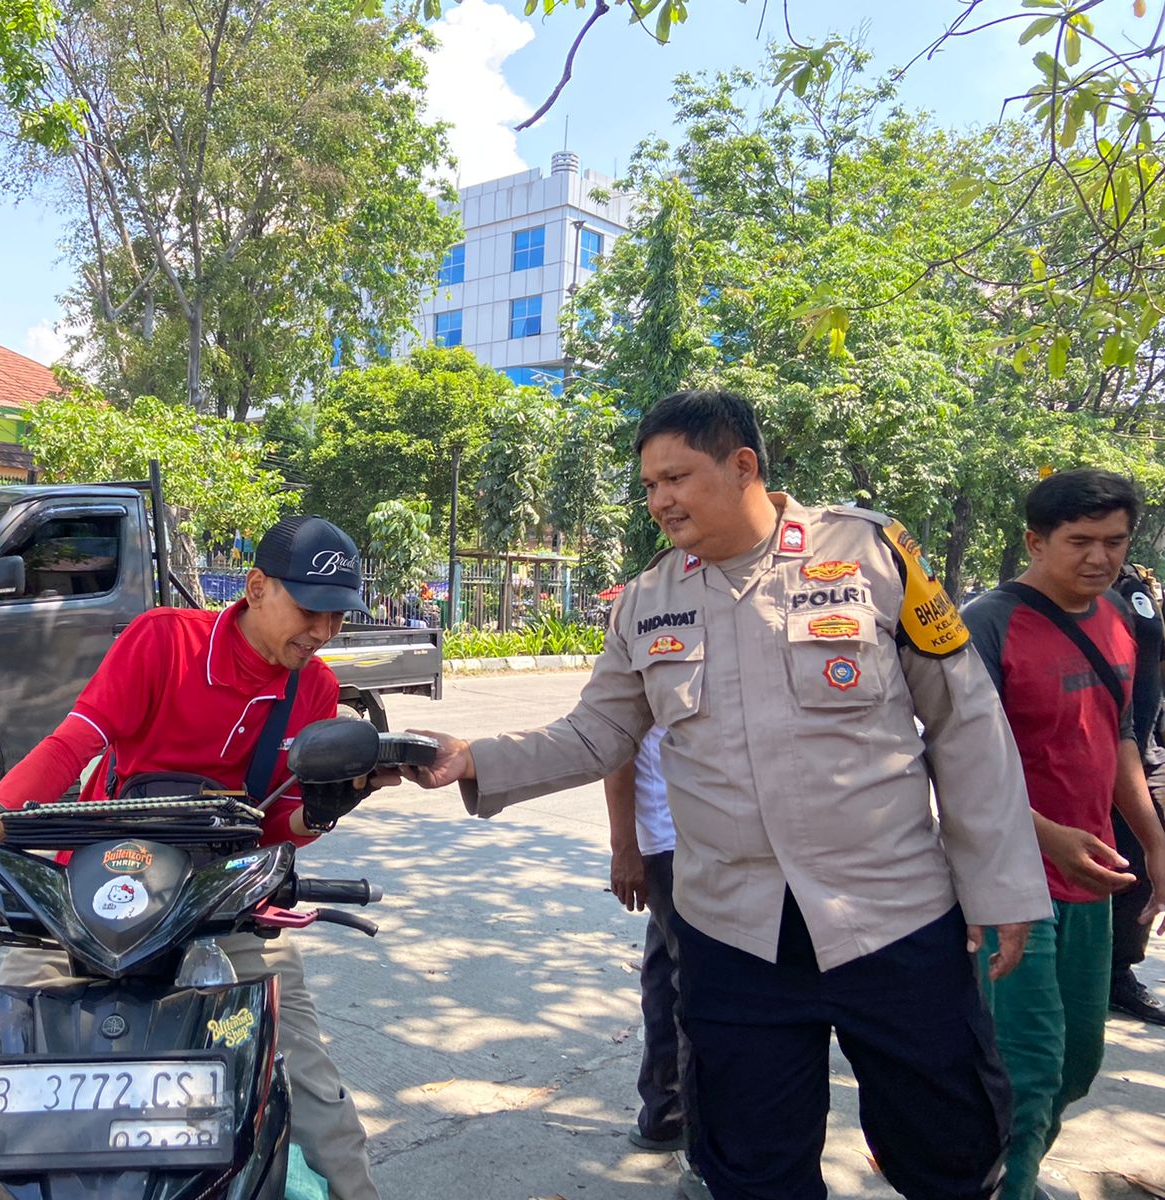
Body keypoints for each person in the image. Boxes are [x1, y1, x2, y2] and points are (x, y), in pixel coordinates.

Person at [404, 389, 1051, 1200]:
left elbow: (965, 720)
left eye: (676, 477)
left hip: (894, 917)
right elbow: (597, 733)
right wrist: (472, 759)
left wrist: (999, 886)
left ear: (743, 466)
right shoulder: (649, 600)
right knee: (751, 1169)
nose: (659, 500)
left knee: (950, 1152)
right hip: (734, 935)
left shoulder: (869, 553)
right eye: (649, 485)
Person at [0, 515, 385, 1200]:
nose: (323, 631)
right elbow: (70, 748)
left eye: (338, 616)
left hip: (219, 908)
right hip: (86, 902)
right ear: (256, 587)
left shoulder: (315, 690)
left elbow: (275, 828)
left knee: (322, 1113)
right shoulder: (164, 642)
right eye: (310, 609)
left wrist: (322, 810)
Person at [961, 470, 1165, 1200]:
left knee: (1078, 1063)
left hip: (1091, 876)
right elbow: (957, 764)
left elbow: (1119, 738)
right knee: (1029, 1067)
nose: (1099, 557)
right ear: (1035, 541)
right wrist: (1046, 836)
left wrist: (1153, 839)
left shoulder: (1117, 618)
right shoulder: (986, 625)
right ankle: (1007, 1183)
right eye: (1080, 541)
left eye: (1115, 541)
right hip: (1008, 880)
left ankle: (996, 1172)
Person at [605, 723, 705, 1195]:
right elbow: (615, 752)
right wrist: (624, 848)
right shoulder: (638, 671)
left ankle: (663, 1115)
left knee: (666, 981)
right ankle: (706, 1158)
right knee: (700, 999)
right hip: (674, 846)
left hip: (684, 844)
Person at [1109, 560, 1165, 1025]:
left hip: (1144, 744)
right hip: (1097, 746)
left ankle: (1118, 971)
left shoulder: (1138, 584)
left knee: (1148, 847)